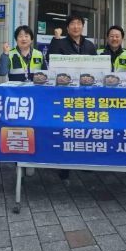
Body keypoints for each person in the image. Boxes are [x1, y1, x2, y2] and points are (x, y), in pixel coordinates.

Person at [46, 14, 97, 181]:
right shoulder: (60, 43)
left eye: (79, 23)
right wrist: (56, 39)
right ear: (67, 28)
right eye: (72, 24)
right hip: (65, 95)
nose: (76, 27)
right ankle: (64, 165)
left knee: (85, 129)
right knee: (66, 130)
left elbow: (97, 68)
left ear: (82, 26)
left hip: (85, 95)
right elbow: (50, 60)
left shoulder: (90, 45)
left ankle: (84, 162)